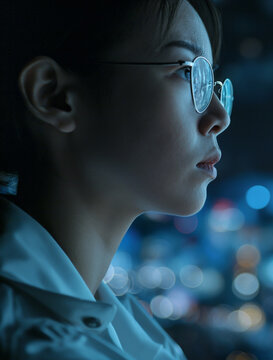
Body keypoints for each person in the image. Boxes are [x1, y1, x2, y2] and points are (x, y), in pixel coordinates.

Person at [0, 0, 232, 358]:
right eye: (188, 72)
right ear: (53, 95)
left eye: (212, 83)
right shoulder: (33, 344)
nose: (219, 116)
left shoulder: (136, 334)